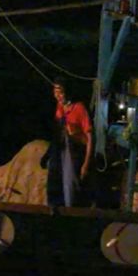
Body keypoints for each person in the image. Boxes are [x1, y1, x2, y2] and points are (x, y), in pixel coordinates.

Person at [47, 76, 93, 207]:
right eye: (55, 92)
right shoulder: (60, 107)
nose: (58, 96)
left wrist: (86, 164)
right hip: (60, 152)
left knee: (70, 187)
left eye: (60, 92)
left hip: (75, 153)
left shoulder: (79, 108)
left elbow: (89, 138)